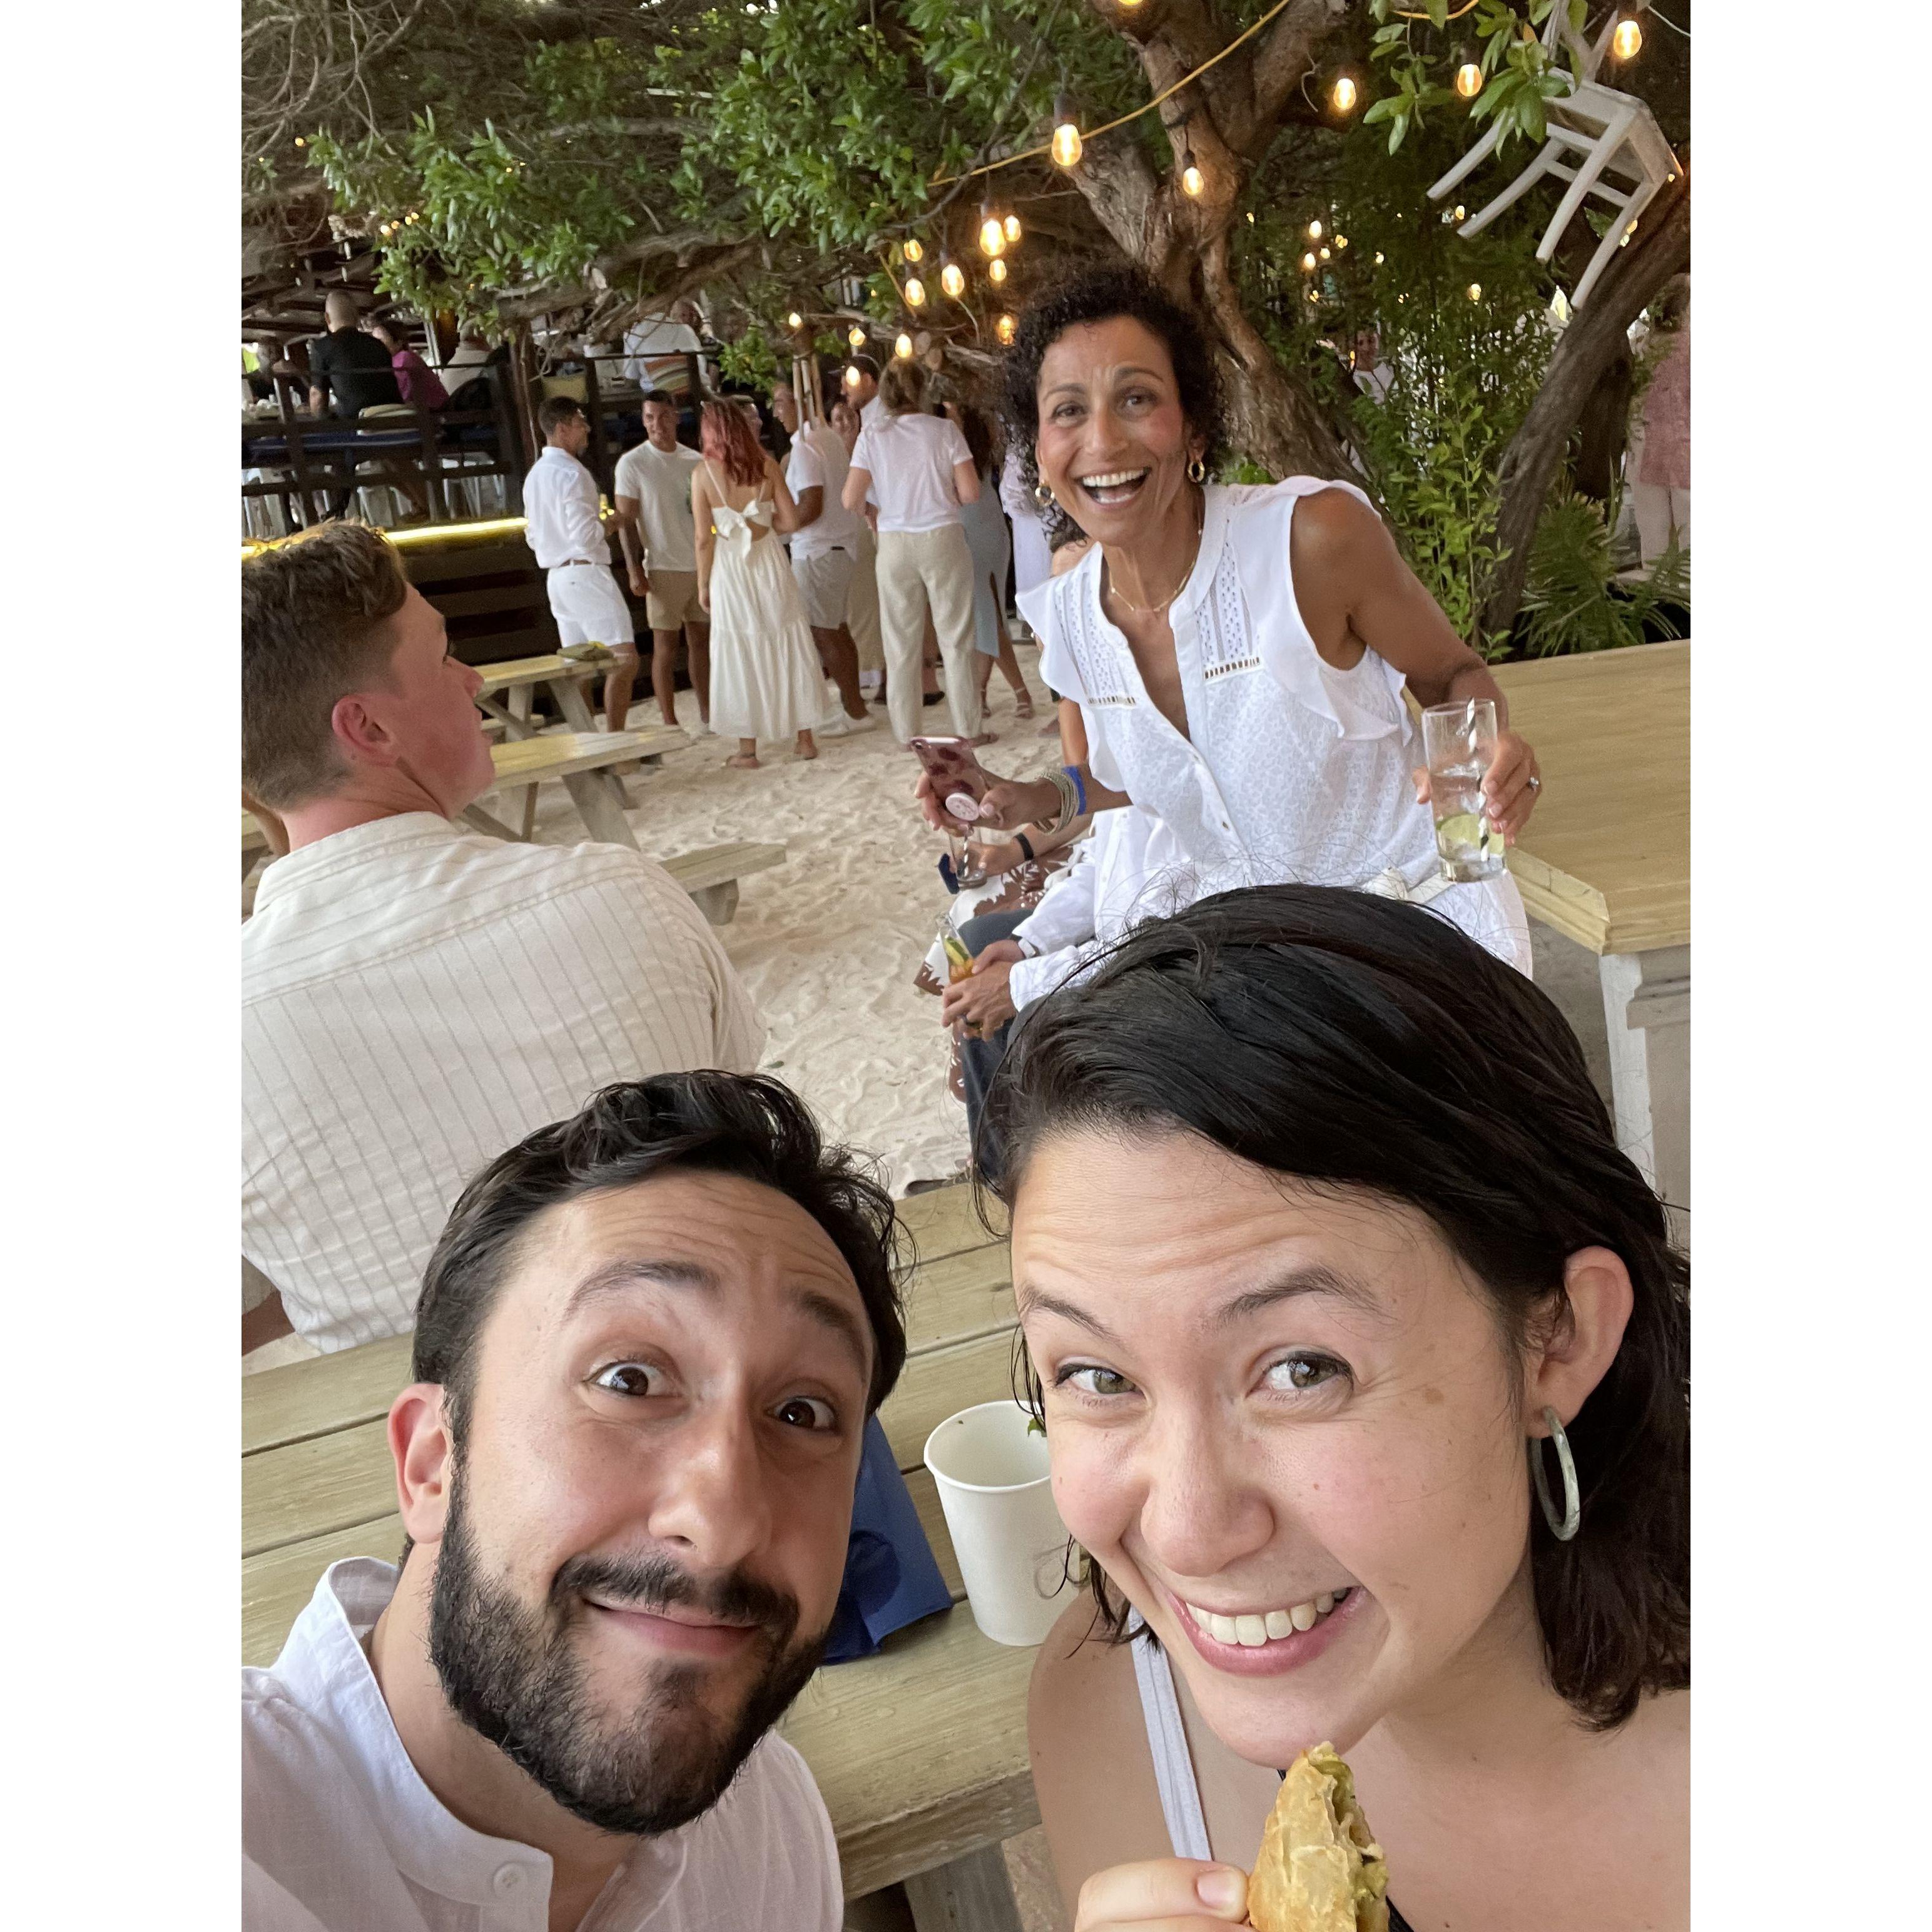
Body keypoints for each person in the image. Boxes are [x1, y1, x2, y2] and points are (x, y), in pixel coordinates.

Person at [997, 887, 1689, 1932]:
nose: (1187, 1532)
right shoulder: (1119, 1716)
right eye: (1099, 1377)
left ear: (1557, 1340)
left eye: (1302, 1369)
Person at [243, 1070, 909, 1929]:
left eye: (802, 1413)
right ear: (432, 1462)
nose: (722, 1524)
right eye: (629, 1380)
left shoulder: (767, 1829)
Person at [917, 265, 1540, 974]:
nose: (1104, 440)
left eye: (1136, 398)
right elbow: (1155, 777)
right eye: (1067, 410)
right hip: (1262, 971)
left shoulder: (1309, 542)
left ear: (1194, 428)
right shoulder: (1072, 617)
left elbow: (1453, 674)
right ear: (1039, 449)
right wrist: (1023, 798)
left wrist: (1485, 756)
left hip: (1414, 942)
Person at [241, 524, 763, 1359]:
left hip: (414, 1433)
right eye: (444, 655)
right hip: (706, 1379)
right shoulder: (618, 895)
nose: (472, 680)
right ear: (369, 729)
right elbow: (739, 1126)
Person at [843, 358, 987, 746]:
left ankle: (908, 733)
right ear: (923, 390)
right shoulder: (944, 431)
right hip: (942, 536)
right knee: (955, 636)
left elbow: (850, 499)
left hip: (894, 541)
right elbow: (971, 492)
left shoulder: (872, 436)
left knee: (900, 641)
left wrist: (873, 511)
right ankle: (968, 729)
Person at [692, 399, 826, 770]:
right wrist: (764, 526)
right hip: (769, 560)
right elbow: (791, 522)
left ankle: (748, 750)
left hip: (730, 567)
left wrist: (703, 584)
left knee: (740, 646)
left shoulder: (702, 474)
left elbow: (703, 539)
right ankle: (805, 739)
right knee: (786, 638)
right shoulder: (767, 465)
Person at [524, 395, 639, 736]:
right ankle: (614, 739)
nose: (586, 429)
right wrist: (612, 523)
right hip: (585, 572)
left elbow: (532, 535)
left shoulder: (535, 475)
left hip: (557, 577)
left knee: (580, 667)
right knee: (624, 659)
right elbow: (586, 535)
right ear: (562, 429)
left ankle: (587, 741)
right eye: (579, 423)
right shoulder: (573, 473)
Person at [614, 390, 712, 736]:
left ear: (676, 418)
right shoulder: (632, 463)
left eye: (664, 416)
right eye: (650, 417)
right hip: (661, 565)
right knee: (665, 647)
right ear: (643, 421)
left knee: (701, 642)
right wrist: (634, 570)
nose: (658, 424)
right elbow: (626, 520)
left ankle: (708, 713)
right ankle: (670, 720)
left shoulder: (695, 460)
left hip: (698, 563)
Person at [780, 382, 875, 734]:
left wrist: (777, 525)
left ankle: (854, 711)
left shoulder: (806, 447)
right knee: (836, 628)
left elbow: (811, 504)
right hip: (836, 548)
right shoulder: (827, 439)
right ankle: (855, 706)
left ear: (799, 402)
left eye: (781, 403)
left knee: (825, 632)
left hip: (818, 550)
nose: (776, 412)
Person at [952, 403, 1037, 720]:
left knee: (990, 614)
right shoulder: (959, 444)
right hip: (975, 526)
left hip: (980, 527)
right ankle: (982, 692)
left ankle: (1019, 692)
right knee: (984, 614)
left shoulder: (970, 444)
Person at [1630, 277, 1689, 566]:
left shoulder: (1641, 345)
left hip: (1645, 445)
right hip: (1685, 446)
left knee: (1653, 539)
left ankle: (1655, 591)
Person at [307, 290, 402, 419]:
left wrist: (322, 421)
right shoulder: (378, 344)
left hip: (358, 423)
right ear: (357, 317)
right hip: (396, 417)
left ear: (327, 318)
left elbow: (317, 399)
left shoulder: (321, 347)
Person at [366, 317, 450, 410]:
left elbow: (400, 396)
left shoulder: (404, 359)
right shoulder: (394, 360)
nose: (376, 346)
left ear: (398, 343)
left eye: (381, 341)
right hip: (428, 411)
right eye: (374, 342)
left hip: (437, 412)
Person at [621, 304, 704, 398]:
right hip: (694, 396)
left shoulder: (633, 332)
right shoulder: (686, 329)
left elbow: (631, 376)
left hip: (659, 400)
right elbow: (702, 369)